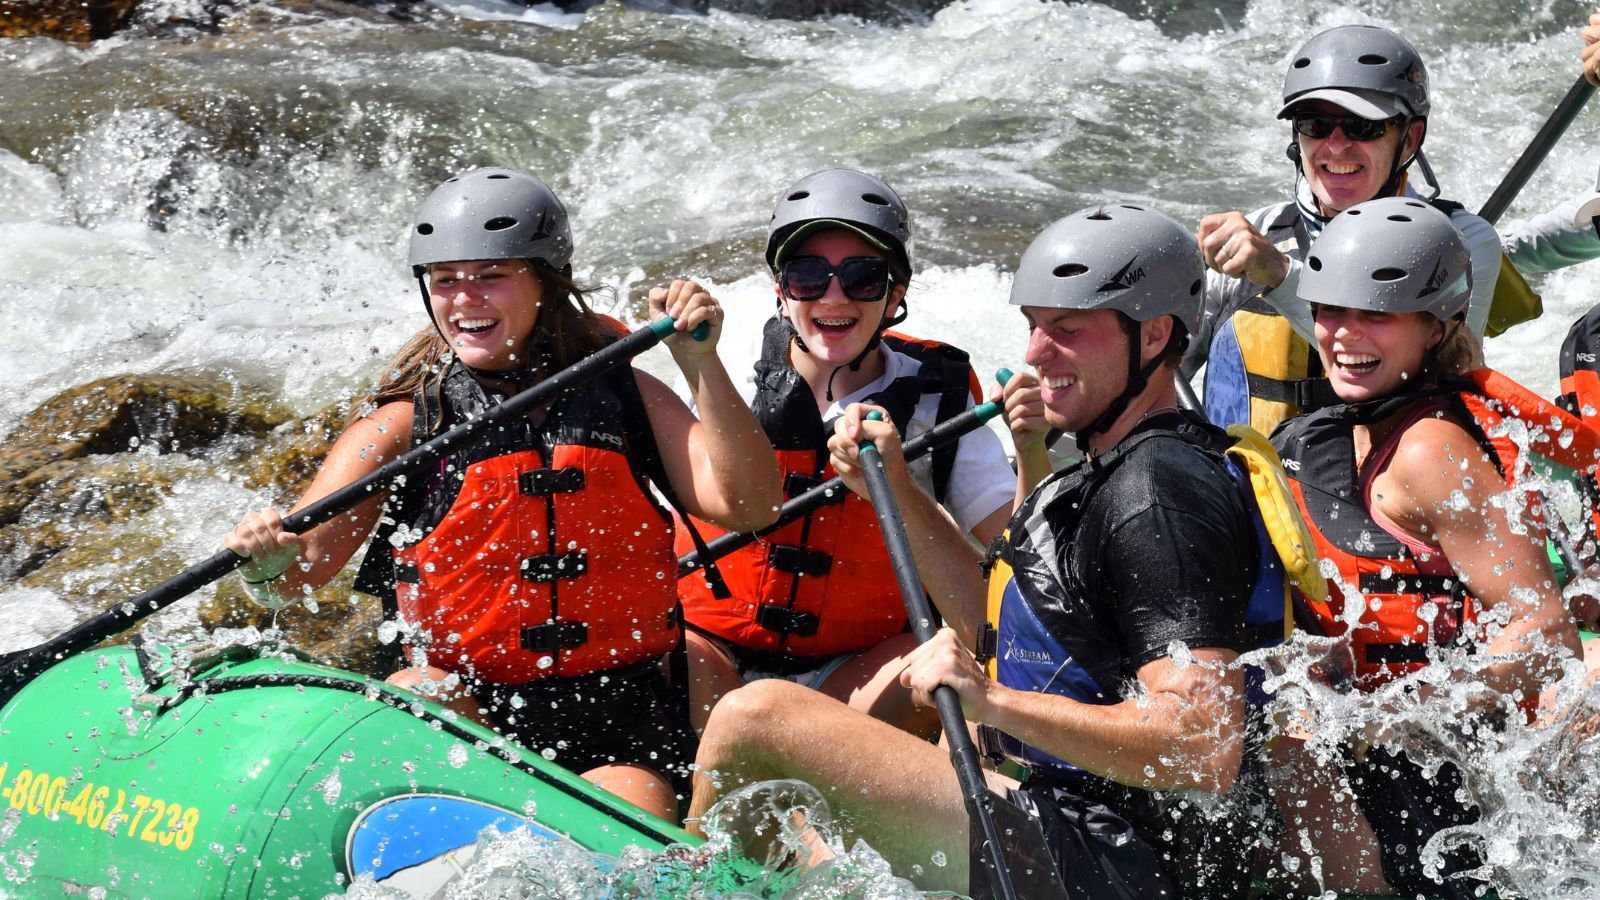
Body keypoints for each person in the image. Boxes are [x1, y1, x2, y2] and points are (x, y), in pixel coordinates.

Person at [687, 205, 1273, 898]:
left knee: (756, 722)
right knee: (802, 831)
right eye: (1033, 326)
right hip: (1064, 822)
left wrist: (992, 701)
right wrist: (897, 492)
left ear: (1154, 336)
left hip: (1114, 861)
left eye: (1067, 331)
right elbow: (997, 626)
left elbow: (1202, 744)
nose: (1034, 354)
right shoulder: (1107, 463)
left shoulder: (1159, 494)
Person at [223, 167, 783, 821]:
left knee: (629, 836)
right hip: (473, 709)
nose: (464, 300)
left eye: (490, 276)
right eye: (445, 280)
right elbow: (299, 571)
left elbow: (751, 505)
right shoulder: (407, 422)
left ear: (546, 280)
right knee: (414, 694)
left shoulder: (624, 394)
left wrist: (700, 363)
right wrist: (264, 564)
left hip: (617, 710)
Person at [1268, 196, 1588, 898]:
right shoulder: (1328, 431)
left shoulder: (1431, 451)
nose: (1343, 335)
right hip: (1368, 758)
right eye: (1329, 310)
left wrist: (1393, 718)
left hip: (1434, 783)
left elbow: (1546, 635)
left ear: (1434, 327)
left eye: (1375, 315)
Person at [674, 168, 1015, 738]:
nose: (834, 296)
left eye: (862, 277)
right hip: (712, 653)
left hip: (858, 673)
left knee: (970, 657)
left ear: (895, 294)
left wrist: (1029, 447)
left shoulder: (939, 401)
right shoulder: (719, 377)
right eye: (809, 276)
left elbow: (1014, 560)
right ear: (781, 292)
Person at [1192, 22, 1600, 435]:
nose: (1335, 145)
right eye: (1314, 123)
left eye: (1362, 127)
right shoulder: (1257, 234)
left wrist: (1279, 276)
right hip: (1236, 490)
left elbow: (1440, 385)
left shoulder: (1462, 243)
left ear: (1409, 140)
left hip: (1377, 491)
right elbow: (1157, 372)